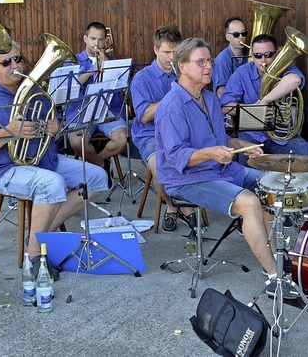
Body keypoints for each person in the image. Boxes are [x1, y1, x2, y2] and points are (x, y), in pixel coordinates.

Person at [155, 37, 285, 297]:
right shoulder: (172, 106)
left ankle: (276, 260)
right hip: (187, 179)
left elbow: (221, 141)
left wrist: (243, 144)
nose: (208, 67)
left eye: (210, 61)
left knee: (274, 185)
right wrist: (211, 153)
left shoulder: (209, 98)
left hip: (219, 170)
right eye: (200, 62)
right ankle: (274, 276)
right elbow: (176, 156)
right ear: (182, 66)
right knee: (249, 202)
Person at [0, 42, 109, 268]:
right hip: (3, 168)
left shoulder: (34, 89)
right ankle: (34, 256)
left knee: (97, 177)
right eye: (7, 62)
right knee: (53, 183)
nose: (15, 65)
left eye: (17, 59)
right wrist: (8, 132)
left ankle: (41, 233)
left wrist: (54, 128)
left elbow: (50, 124)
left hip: (42, 159)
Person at [130, 26, 193, 231]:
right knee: (160, 165)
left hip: (183, 132)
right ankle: (173, 206)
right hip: (150, 135)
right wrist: (174, 94)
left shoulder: (187, 71)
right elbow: (145, 115)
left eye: (176, 52)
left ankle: (192, 202)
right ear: (156, 50)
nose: (172, 57)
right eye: (167, 52)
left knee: (205, 154)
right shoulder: (142, 78)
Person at [221, 34, 308, 164]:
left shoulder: (286, 68)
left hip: (281, 137)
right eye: (258, 56)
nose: (263, 60)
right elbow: (226, 106)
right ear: (252, 55)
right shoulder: (242, 73)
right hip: (251, 134)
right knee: (246, 163)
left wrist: (264, 101)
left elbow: (295, 80)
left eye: (268, 55)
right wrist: (253, 112)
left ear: (276, 54)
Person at [65, 22, 127, 185]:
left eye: (100, 40)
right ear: (85, 38)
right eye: (93, 39)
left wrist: (106, 63)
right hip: (82, 110)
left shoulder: (112, 61)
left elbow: (120, 87)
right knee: (77, 142)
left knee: (121, 140)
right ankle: (100, 165)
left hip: (109, 109)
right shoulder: (73, 60)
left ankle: (99, 161)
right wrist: (92, 69)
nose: (96, 44)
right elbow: (69, 88)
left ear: (105, 42)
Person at [212, 17, 250, 98]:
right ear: (227, 37)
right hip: (231, 105)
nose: (241, 37)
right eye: (236, 34)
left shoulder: (252, 53)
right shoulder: (222, 59)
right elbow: (220, 91)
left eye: (243, 33)